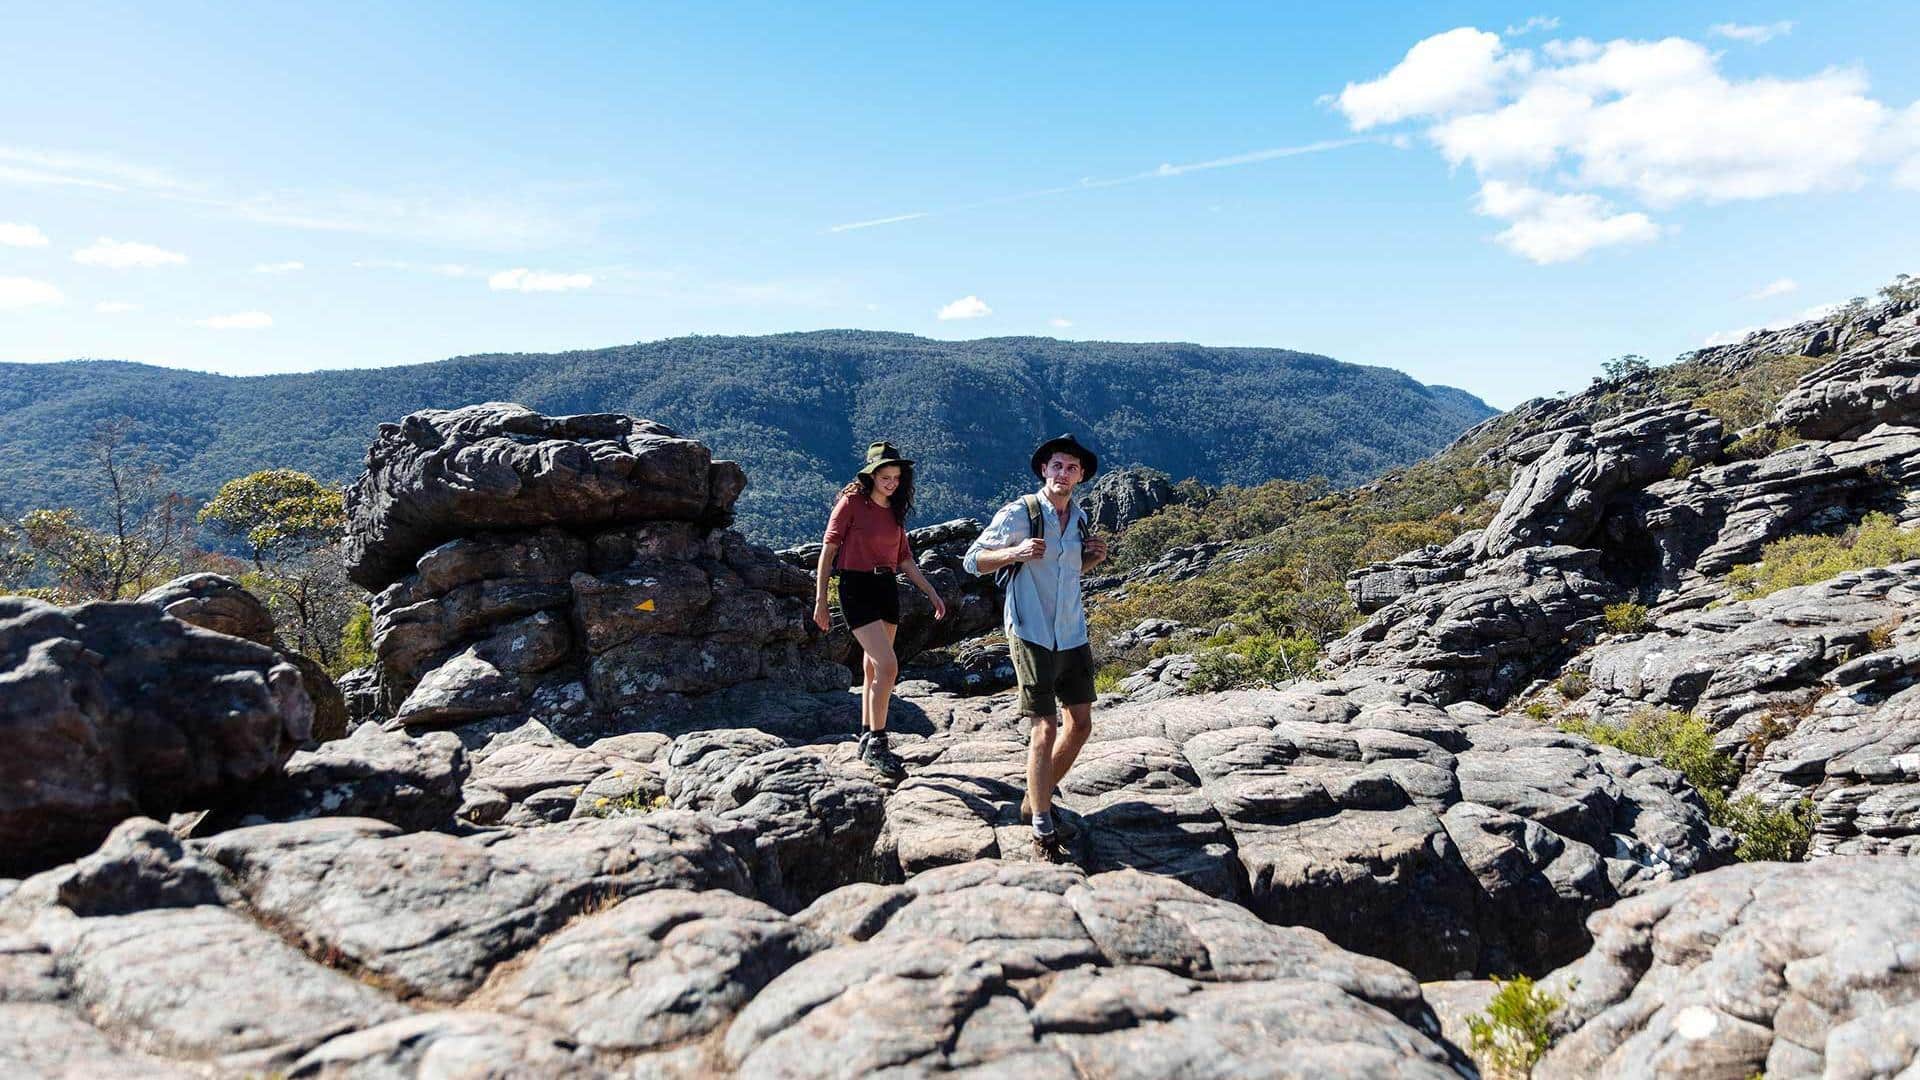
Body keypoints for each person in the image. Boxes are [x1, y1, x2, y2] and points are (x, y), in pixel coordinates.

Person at [963, 433, 1108, 852]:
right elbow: (973, 560)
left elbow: (1069, 571)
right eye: (1057, 466)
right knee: (1044, 726)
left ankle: (1033, 799)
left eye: (1072, 468)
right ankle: (1042, 823)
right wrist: (1015, 553)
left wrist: (1092, 559)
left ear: (1080, 476)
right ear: (1044, 470)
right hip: (1030, 630)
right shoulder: (1020, 514)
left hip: (1071, 630)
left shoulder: (1079, 518)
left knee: (1080, 723)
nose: (1064, 473)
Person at [814, 441, 947, 780]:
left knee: (874, 668)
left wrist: (931, 592)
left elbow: (904, 559)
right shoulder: (851, 503)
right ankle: (878, 741)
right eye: (885, 476)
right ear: (871, 475)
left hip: (886, 588)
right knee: (888, 665)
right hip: (855, 588)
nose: (891, 483)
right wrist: (820, 601)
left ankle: (864, 733)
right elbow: (827, 553)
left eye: (896, 477)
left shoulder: (894, 511)